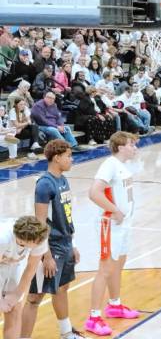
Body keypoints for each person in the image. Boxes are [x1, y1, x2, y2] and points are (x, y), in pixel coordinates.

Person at [20, 140, 84, 339]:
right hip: (50, 247)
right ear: (57, 158)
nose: (71, 159)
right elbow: (39, 223)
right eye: (68, 156)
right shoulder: (45, 184)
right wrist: (45, 255)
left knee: (62, 288)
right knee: (34, 298)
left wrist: (72, 245)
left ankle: (66, 333)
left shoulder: (63, 180)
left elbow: (67, 215)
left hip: (65, 244)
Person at [84, 132, 140, 336]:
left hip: (124, 225)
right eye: (131, 144)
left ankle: (114, 305)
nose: (134, 147)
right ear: (120, 147)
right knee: (105, 270)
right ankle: (93, 317)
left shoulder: (123, 166)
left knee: (118, 266)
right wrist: (114, 210)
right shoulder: (109, 164)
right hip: (110, 225)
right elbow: (94, 192)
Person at [0, 217, 49, 339]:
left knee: (14, 309)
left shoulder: (40, 237)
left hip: (14, 265)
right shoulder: (3, 239)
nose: (39, 244)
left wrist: (16, 295)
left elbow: (31, 268)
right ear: (24, 240)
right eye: (36, 243)